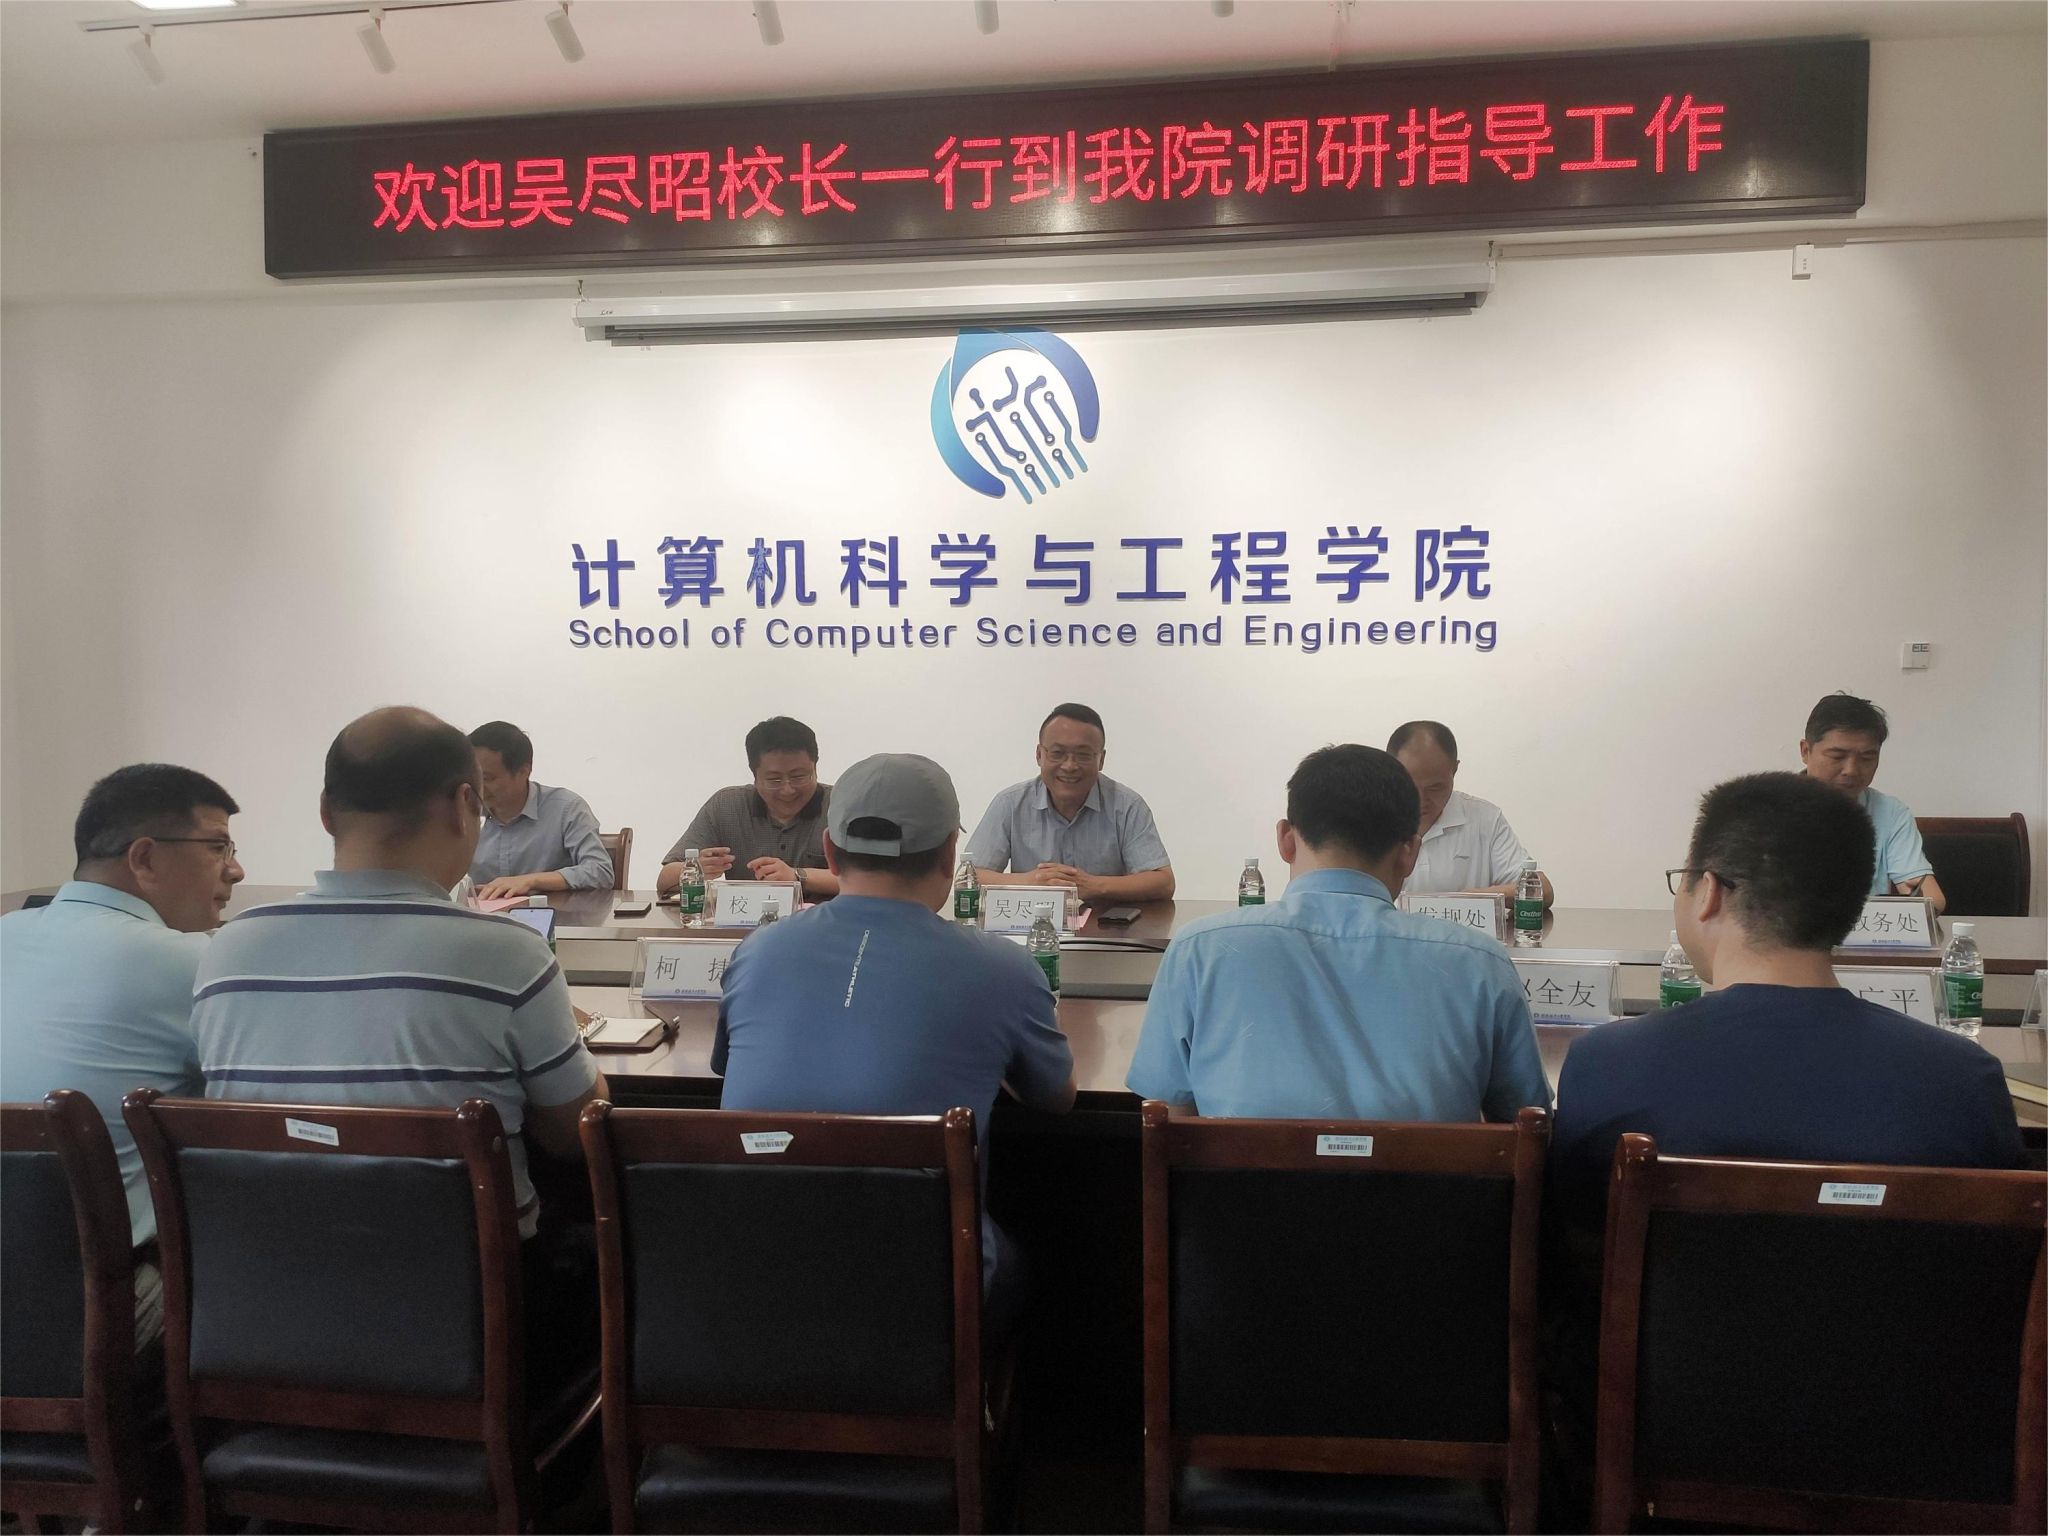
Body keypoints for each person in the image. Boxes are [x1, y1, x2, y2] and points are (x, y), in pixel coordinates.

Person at [1542, 772, 2019, 1507]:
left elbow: (1570, 1247)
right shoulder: (1964, 1079)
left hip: (1664, 1436)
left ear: (1707, 892)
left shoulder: (1610, 1065)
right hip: (1914, 1450)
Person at [192, 708, 607, 1244]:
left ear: (325, 812)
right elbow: (574, 1131)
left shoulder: (227, 950)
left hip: (266, 1264)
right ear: (464, 805)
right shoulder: (510, 957)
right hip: (466, 1273)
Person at [713, 752, 1076, 1332]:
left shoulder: (755, 951)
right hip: (924, 1305)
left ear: (830, 851)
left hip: (750, 1296)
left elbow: (729, 1070)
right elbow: (1056, 1097)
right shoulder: (1004, 969)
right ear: (950, 855)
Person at [1128, 744, 1549, 1122]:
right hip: (1424, 1188)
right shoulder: (1480, 963)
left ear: (1285, 840)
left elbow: (1169, 1118)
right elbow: (1525, 1122)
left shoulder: (1199, 950)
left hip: (1240, 1187)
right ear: (1410, 852)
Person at [1, 764, 246, 1346]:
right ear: (144, 858)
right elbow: (258, 1110)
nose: (236, 869)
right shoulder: (192, 963)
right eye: (218, 847)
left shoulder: (6, 931)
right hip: (87, 1309)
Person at [968, 703, 1174, 905]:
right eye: (1057, 753)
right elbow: (969, 877)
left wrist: (1093, 886)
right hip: (1030, 925)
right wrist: (1031, 882)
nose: (1069, 766)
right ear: (1039, 755)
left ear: (1101, 760)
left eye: (1083, 755)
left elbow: (1163, 882)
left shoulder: (1127, 806)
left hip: (1104, 925)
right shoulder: (1010, 804)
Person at [659, 716, 839, 901]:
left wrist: (798, 876)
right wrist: (696, 869)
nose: (788, 789)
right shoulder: (726, 806)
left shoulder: (841, 805)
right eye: (774, 780)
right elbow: (664, 881)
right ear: (754, 775)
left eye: (799, 777)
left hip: (827, 918)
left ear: (815, 768)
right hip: (744, 919)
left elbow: (860, 882)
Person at [1798, 691, 1946, 912]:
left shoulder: (1890, 813)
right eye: (1837, 756)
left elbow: (1933, 899)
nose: (1851, 770)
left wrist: (1916, 901)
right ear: (1805, 751)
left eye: (1867, 758)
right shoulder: (1767, 811)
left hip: (1868, 932)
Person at [1387, 720, 1553, 906]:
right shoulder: (1371, 819)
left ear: (1454, 770)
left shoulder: (1484, 819)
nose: (1421, 799)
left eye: (1435, 788)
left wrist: (1467, 899)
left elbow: (1541, 890)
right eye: (1409, 785)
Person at [466, 720, 613, 898]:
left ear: (523, 772)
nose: (477, 786)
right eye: (472, 777)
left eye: (487, 778)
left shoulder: (566, 808)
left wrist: (531, 881)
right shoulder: (464, 811)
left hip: (552, 914)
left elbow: (600, 871)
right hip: (480, 914)